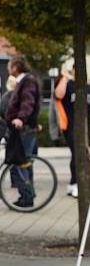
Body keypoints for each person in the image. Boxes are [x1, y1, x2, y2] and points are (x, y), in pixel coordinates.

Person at [54, 62, 90, 198]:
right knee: (78, 153)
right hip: (69, 126)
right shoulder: (69, 85)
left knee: (78, 154)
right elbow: (58, 94)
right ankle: (77, 184)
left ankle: (73, 184)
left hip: (84, 128)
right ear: (74, 70)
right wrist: (64, 77)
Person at [4, 56, 41, 208]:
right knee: (24, 162)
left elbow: (28, 102)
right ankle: (25, 196)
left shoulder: (28, 81)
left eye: (9, 66)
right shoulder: (23, 81)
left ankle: (27, 196)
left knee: (21, 162)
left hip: (24, 129)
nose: (8, 69)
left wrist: (20, 118)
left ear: (15, 67)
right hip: (23, 128)